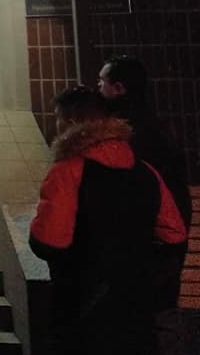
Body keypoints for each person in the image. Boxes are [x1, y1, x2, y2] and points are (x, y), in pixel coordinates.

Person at [30, 86, 187, 355]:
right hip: (136, 306)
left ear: (70, 122)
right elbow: (174, 235)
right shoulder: (145, 171)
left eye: (57, 118)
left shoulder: (67, 171)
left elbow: (50, 242)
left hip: (82, 306)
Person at [98, 55, 192, 354]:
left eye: (102, 82)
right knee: (161, 313)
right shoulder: (158, 126)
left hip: (149, 240)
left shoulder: (126, 134)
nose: (98, 87)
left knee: (148, 317)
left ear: (119, 88)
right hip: (168, 234)